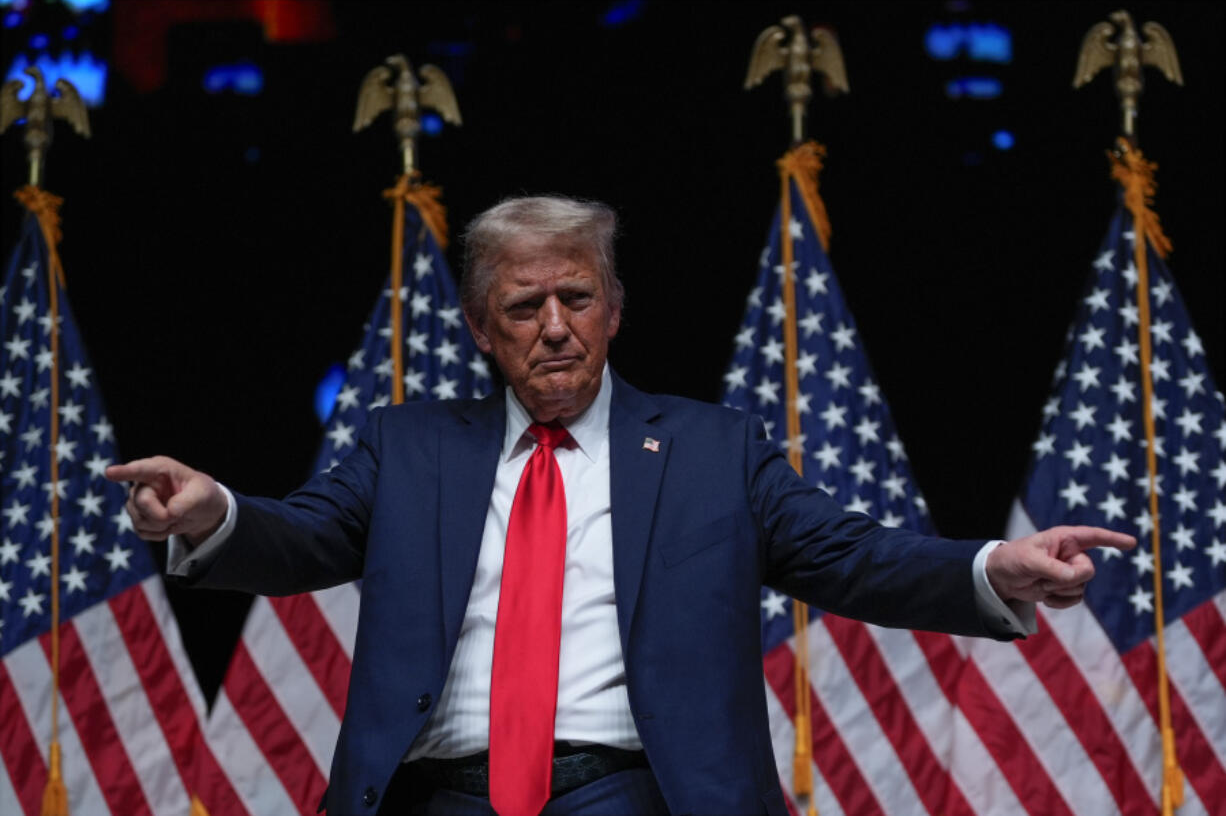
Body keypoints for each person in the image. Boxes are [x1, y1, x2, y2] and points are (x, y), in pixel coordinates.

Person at [108, 196, 1134, 816]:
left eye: (578, 297)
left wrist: (994, 568)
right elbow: (304, 537)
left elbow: (849, 554)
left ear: (613, 308)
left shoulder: (712, 450)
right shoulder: (406, 445)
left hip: (634, 786)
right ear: (479, 325)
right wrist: (213, 512)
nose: (555, 327)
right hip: (437, 790)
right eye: (523, 305)